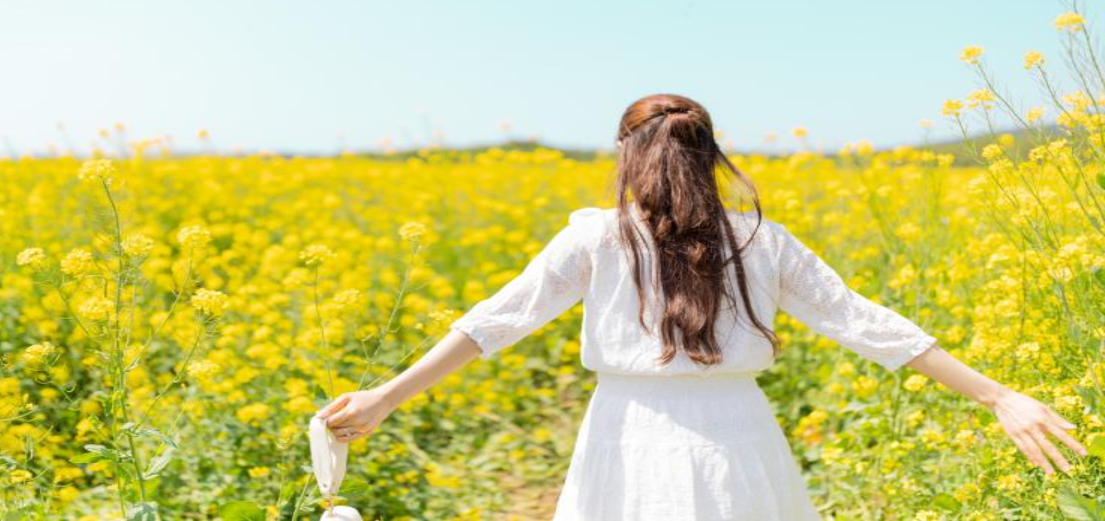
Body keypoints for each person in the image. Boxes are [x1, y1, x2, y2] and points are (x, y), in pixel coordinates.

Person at [315, 93, 1088, 519]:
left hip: (627, 430)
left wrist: (386, 398)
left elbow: (493, 324)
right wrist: (998, 394)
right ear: (710, 154)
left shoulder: (594, 239)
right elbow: (866, 324)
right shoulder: (765, 240)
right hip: (738, 437)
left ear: (627, 155)